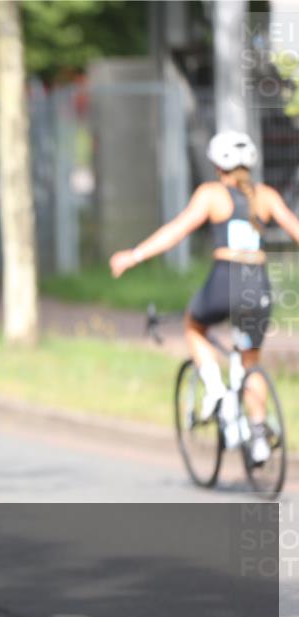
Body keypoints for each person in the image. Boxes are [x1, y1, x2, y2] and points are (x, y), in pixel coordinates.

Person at [110, 130, 299, 461]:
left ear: (218, 166)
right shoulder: (266, 196)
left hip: (225, 280)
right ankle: (258, 437)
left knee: (194, 325)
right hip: (258, 284)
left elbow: (177, 230)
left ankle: (215, 390)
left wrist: (134, 255)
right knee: (250, 360)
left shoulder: (212, 195)